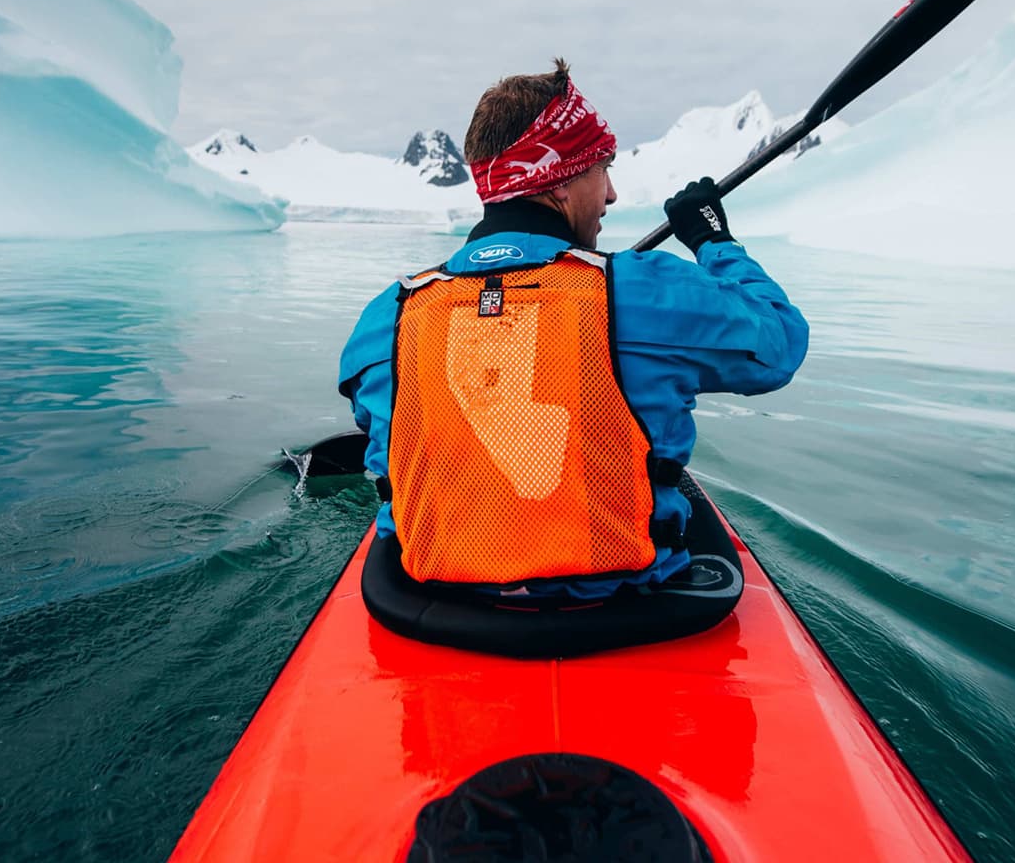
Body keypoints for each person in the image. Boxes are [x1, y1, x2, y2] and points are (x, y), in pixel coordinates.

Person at [338, 59, 808, 600]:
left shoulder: (385, 316)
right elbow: (780, 343)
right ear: (558, 182)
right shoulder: (642, 290)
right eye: (599, 168)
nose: (609, 195)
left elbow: (373, 422)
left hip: (435, 609)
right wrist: (713, 242)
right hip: (626, 612)